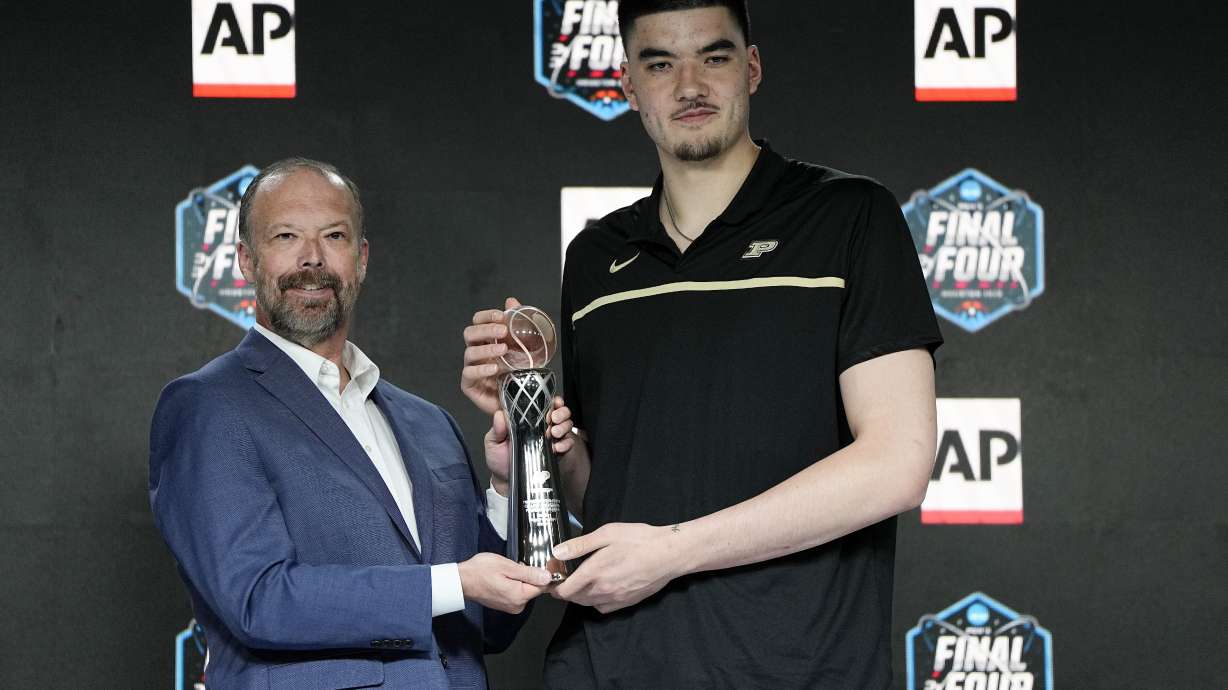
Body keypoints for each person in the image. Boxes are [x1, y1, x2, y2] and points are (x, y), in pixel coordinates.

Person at [461, 1, 944, 687]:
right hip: (609, 665)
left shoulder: (849, 217)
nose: (689, 85)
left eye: (713, 57)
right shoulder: (597, 256)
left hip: (791, 668)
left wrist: (673, 552)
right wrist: (540, 437)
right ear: (627, 85)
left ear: (751, 68)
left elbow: (897, 463)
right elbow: (608, 494)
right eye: (660, 63)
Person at [150, 158, 555, 690]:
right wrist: (453, 581)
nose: (312, 258)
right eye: (286, 235)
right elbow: (257, 599)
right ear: (247, 260)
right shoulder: (209, 406)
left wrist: (507, 484)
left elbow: (490, 625)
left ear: (361, 259)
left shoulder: (427, 422)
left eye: (334, 236)